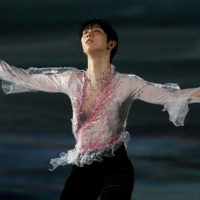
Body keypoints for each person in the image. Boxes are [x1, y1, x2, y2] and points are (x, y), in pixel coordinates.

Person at [0, 17, 200, 200]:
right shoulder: (71, 79)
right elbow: (23, 77)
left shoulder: (126, 84)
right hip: (81, 171)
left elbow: (172, 96)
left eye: (96, 31)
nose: (88, 33)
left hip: (116, 170)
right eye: (85, 32)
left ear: (110, 44)